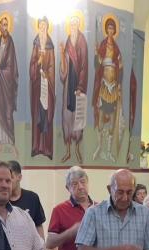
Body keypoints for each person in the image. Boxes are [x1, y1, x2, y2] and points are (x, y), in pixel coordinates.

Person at [92, 17, 123, 162]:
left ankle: (109, 151)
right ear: (106, 30)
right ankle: (99, 147)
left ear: (114, 30)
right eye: (109, 28)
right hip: (104, 85)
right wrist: (96, 54)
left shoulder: (116, 49)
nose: (110, 30)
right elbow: (97, 66)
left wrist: (119, 84)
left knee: (112, 119)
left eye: (112, 28)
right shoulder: (102, 45)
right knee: (101, 118)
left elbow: (120, 67)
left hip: (114, 88)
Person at [59, 15, 89, 163]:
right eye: (71, 25)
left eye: (75, 24)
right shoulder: (67, 41)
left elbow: (84, 65)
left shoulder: (82, 41)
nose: (73, 27)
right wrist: (61, 54)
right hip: (68, 85)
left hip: (77, 85)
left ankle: (77, 149)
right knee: (66, 117)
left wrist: (80, 86)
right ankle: (68, 151)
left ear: (78, 26)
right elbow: (64, 66)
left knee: (78, 119)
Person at [0, 14, 19, 157]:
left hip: (7, 84)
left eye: (7, 25)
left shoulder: (10, 42)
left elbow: (11, 67)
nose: (5, 27)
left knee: (7, 112)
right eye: (3, 25)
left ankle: (12, 143)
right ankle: (0, 143)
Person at [30, 17, 56, 159]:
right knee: (37, 116)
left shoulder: (50, 46)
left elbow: (52, 66)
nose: (42, 28)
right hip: (36, 88)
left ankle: (46, 148)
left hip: (46, 86)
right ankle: (36, 147)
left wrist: (47, 75)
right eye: (40, 26)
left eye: (44, 26)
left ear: (47, 28)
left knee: (46, 116)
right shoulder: (35, 44)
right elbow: (31, 66)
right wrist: (38, 62)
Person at [8, 161, 46, 239]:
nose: (7, 182)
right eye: (5, 179)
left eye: (11, 177)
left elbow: (38, 225)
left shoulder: (32, 198)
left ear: (19, 177)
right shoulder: (1, 200)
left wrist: (42, 245)